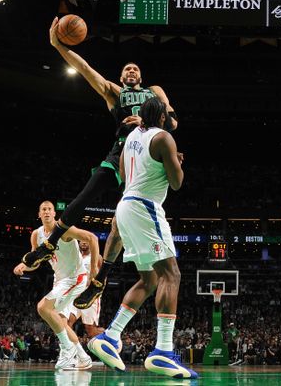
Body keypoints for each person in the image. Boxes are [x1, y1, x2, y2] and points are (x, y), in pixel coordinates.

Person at [23, 18, 177, 310]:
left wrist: (145, 121)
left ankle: (100, 278)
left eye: (135, 68)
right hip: (120, 153)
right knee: (86, 194)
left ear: (141, 76)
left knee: (120, 223)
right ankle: (50, 243)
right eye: (126, 68)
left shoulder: (154, 92)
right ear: (121, 78)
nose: (131, 70)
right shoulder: (113, 93)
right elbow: (84, 68)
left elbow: (172, 122)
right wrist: (58, 45)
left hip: (143, 159)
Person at [87, 98, 197, 378]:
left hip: (125, 205)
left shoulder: (132, 137)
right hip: (146, 208)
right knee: (172, 275)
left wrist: (161, 163)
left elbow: (124, 174)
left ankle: (110, 337)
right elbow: (177, 182)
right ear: (161, 118)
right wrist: (176, 161)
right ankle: (162, 351)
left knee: (148, 280)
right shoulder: (164, 138)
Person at [13, 200, 99, 370]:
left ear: (54, 214)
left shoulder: (64, 229)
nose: (46, 212)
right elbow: (36, 261)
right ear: (39, 214)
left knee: (43, 308)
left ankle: (67, 350)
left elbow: (92, 238)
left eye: (49, 209)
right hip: (60, 280)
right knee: (59, 321)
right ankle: (83, 357)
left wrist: (94, 269)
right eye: (43, 209)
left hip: (76, 277)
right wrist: (25, 266)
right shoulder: (36, 235)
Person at [78, 241, 104, 338]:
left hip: (90, 294)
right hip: (75, 293)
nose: (84, 243)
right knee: (66, 322)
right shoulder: (76, 256)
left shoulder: (97, 256)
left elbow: (103, 274)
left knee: (90, 330)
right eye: (82, 241)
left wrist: (99, 289)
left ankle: (110, 338)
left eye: (87, 241)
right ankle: (71, 351)